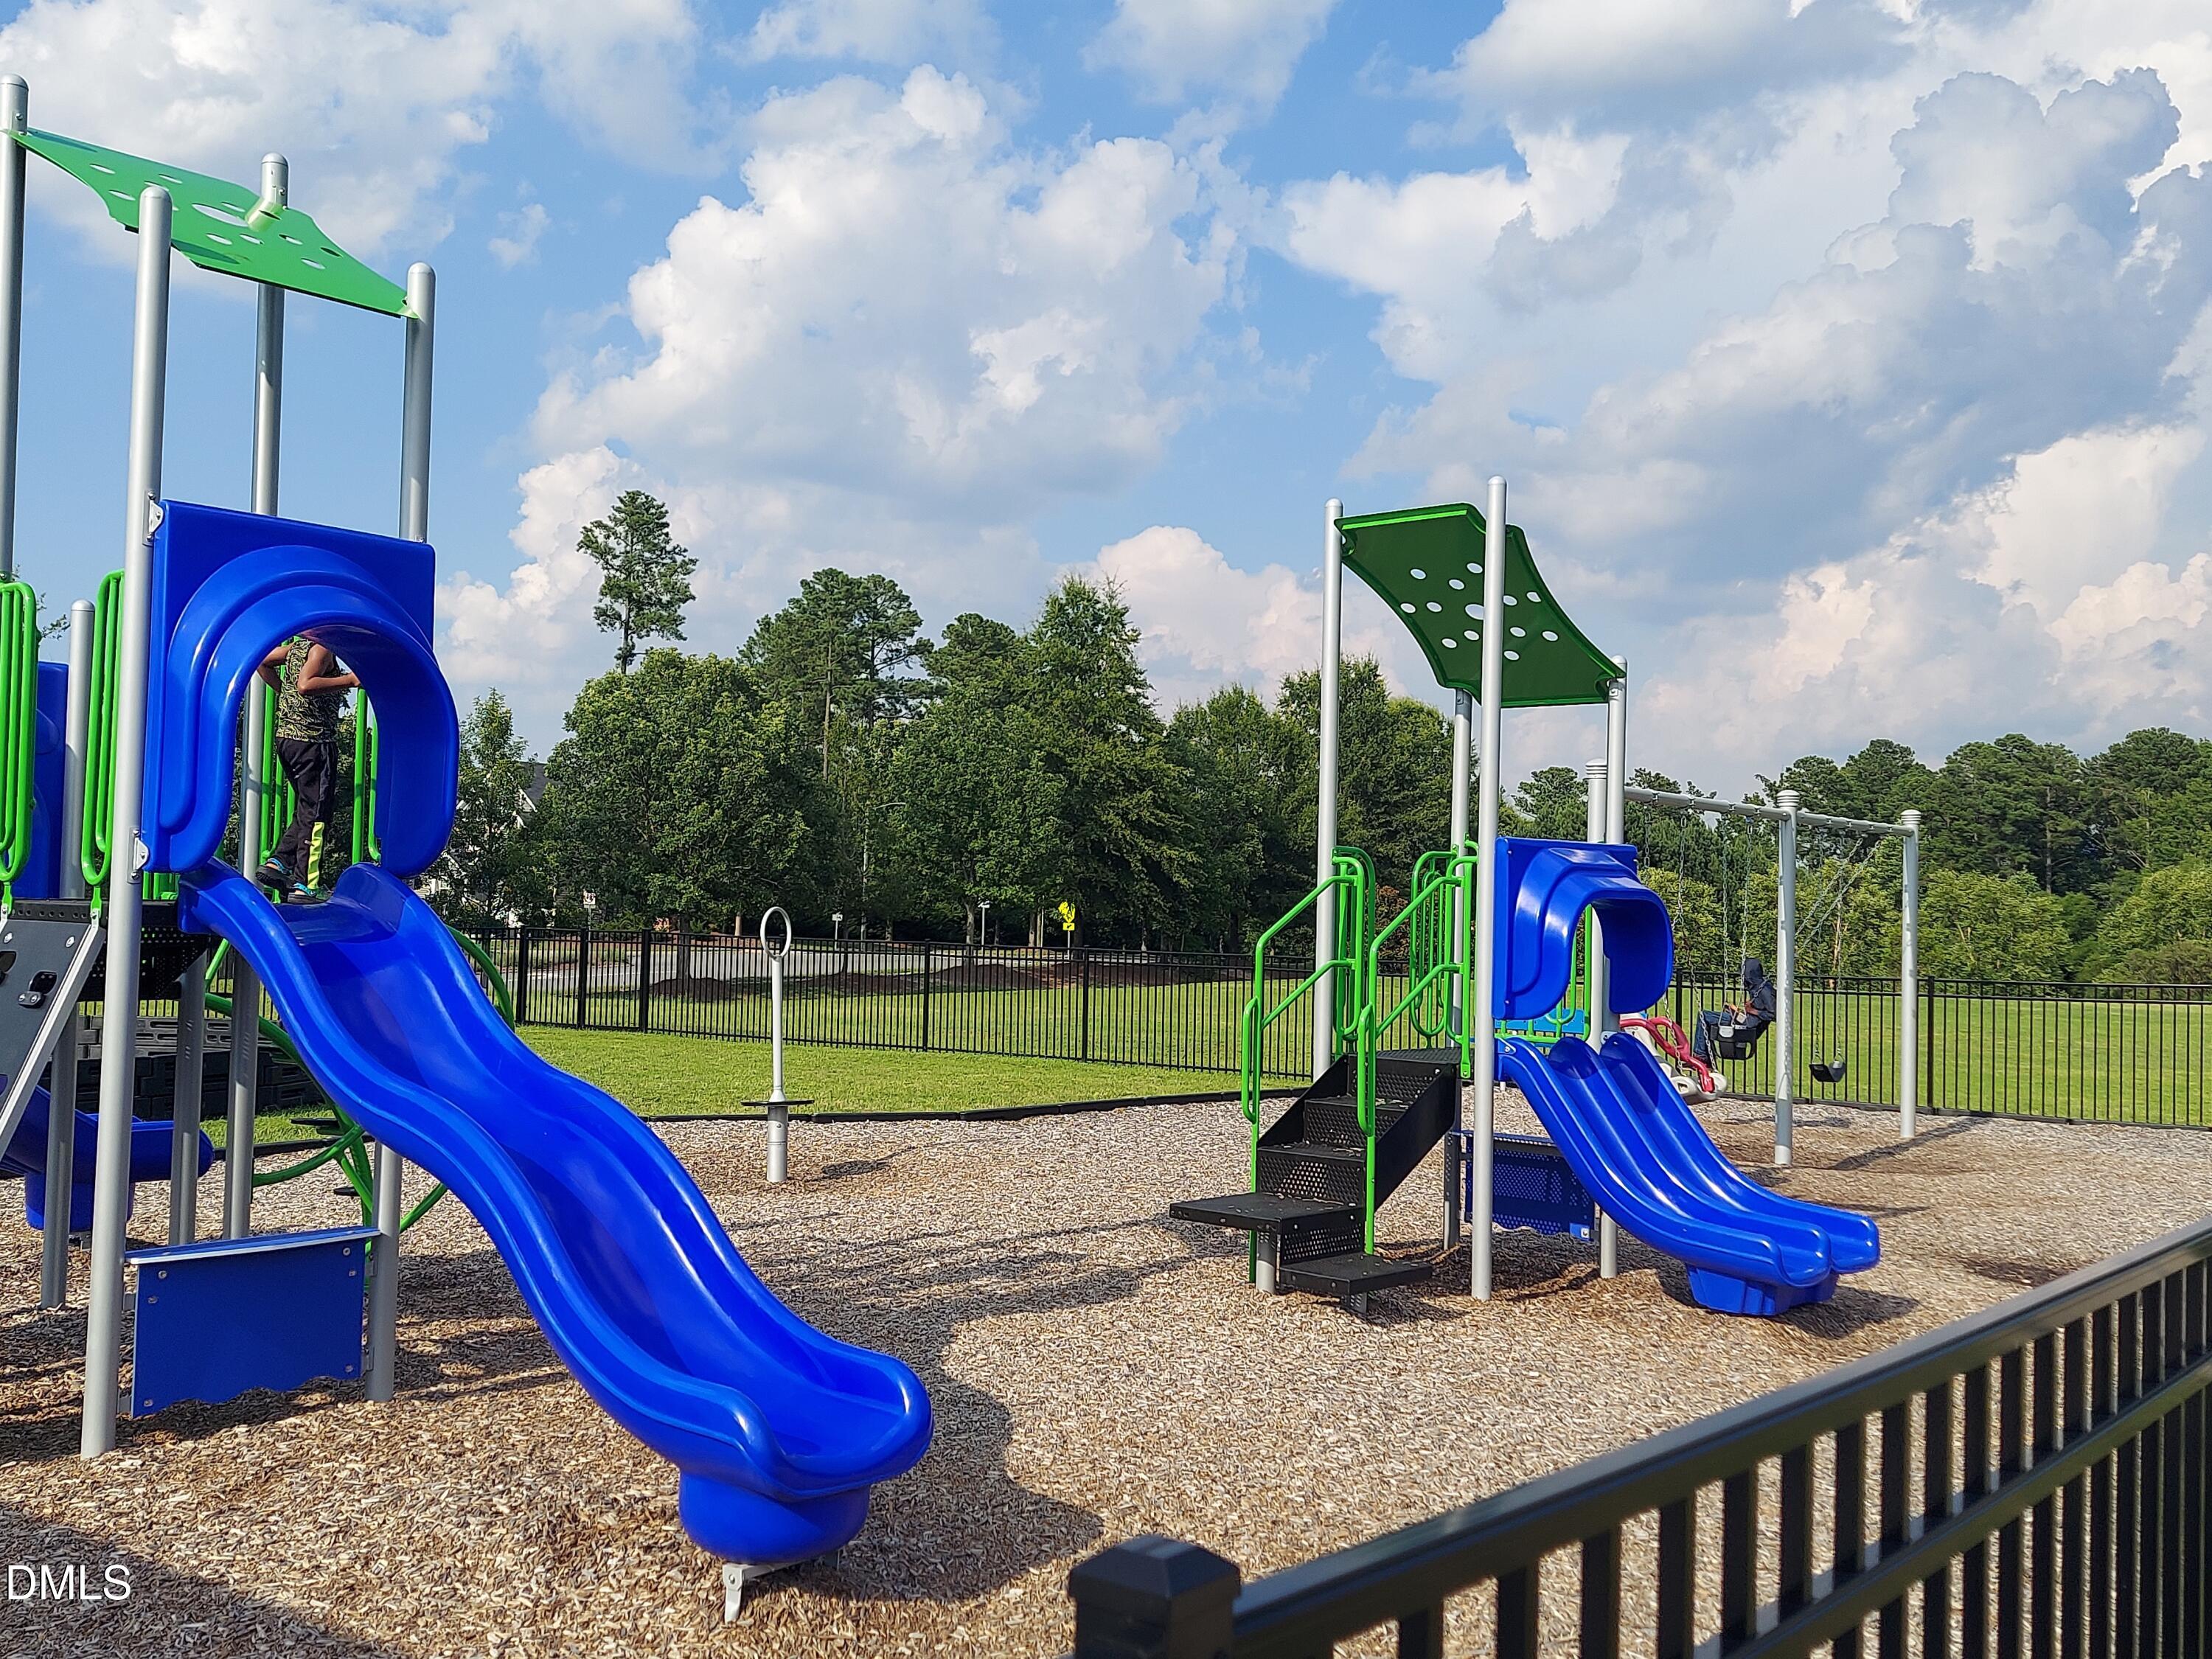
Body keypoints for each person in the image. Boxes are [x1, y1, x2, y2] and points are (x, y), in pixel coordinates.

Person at [254, 635, 358, 898]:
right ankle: (305, 883)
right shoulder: (324, 647)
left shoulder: (295, 648)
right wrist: (349, 680)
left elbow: (262, 661)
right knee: (317, 814)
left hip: (287, 740)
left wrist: (284, 693)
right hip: (314, 742)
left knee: (307, 807)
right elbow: (305, 684)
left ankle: (278, 861)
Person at [1691, 955, 1776, 1062]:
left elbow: (1774, 1015)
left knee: (1704, 1016)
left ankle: (1701, 1055)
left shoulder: (1765, 990)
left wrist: (1753, 1011)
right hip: (1745, 1022)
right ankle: (1706, 1057)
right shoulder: (1756, 988)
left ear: (1750, 974)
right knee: (1708, 1021)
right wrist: (1735, 1011)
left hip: (1747, 1027)